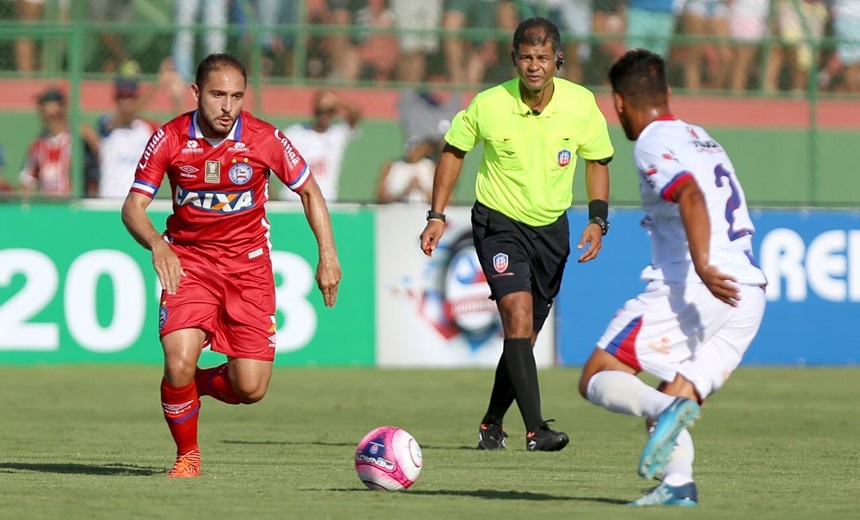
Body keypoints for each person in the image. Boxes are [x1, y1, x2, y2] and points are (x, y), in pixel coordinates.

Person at [120, 53, 342, 478]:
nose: (227, 106)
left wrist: (327, 256)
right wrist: (157, 245)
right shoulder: (168, 138)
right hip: (189, 265)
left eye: (236, 96)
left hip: (249, 272)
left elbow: (310, 191)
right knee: (178, 360)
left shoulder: (264, 138)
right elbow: (133, 207)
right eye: (218, 95)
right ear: (196, 93)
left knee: (250, 388)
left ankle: (194, 388)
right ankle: (188, 456)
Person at [578, 49, 767, 505]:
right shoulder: (702, 137)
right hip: (748, 291)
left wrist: (701, 265)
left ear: (619, 104)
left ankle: (670, 413)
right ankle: (678, 484)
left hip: (697, 284)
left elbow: (690, 196)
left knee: (597, 375)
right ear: (668, 92)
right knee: (672, 393)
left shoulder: (649, 142)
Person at [420, 17, 614, 452]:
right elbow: (453, 153)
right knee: (517, 318)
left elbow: (598, 160)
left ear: (558, 61)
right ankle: (535, 430)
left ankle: (492, 422)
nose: (534, 66)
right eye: (526, 57)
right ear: (514, 59)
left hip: (552, 232)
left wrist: (598, 219)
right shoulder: (489, 104)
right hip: (498, 224)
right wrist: (436, 214)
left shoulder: (581, 104)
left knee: (521, 339)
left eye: (543, 57)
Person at [95, 59, 185, 199]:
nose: (126, 101)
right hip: (110, 200)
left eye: (130, 97)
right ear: (115, 99)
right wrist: (158, 84)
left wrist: (175, 96)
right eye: (121, 97)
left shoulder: (145, 128)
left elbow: (180, 130)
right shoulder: (107, 124)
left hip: (138, 202)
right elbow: (127, 114)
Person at [279, 89, 361, 202]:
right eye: (320, 110)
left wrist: (335, 100)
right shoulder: (294, 133)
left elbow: (356, 112)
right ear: (314, 110)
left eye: (329, 111)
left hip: (325, 201)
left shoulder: (338, 134)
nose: (324, 115)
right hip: (292, 201)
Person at [19, 87, 100, 197]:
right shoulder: (38, 145)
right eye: (44, 111)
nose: (48, 117)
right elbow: (27, 181)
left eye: (53, 115)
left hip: (75, 204)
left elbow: (99, 153)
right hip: (49, 206)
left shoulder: (77, 138)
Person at [376, 137, 437, 204]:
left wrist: (421, 188)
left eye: (416, 147)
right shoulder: (391, 166)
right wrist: (404, 191)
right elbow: (380, 198)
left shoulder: (431, 167)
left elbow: (443, 200)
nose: (412, 151)